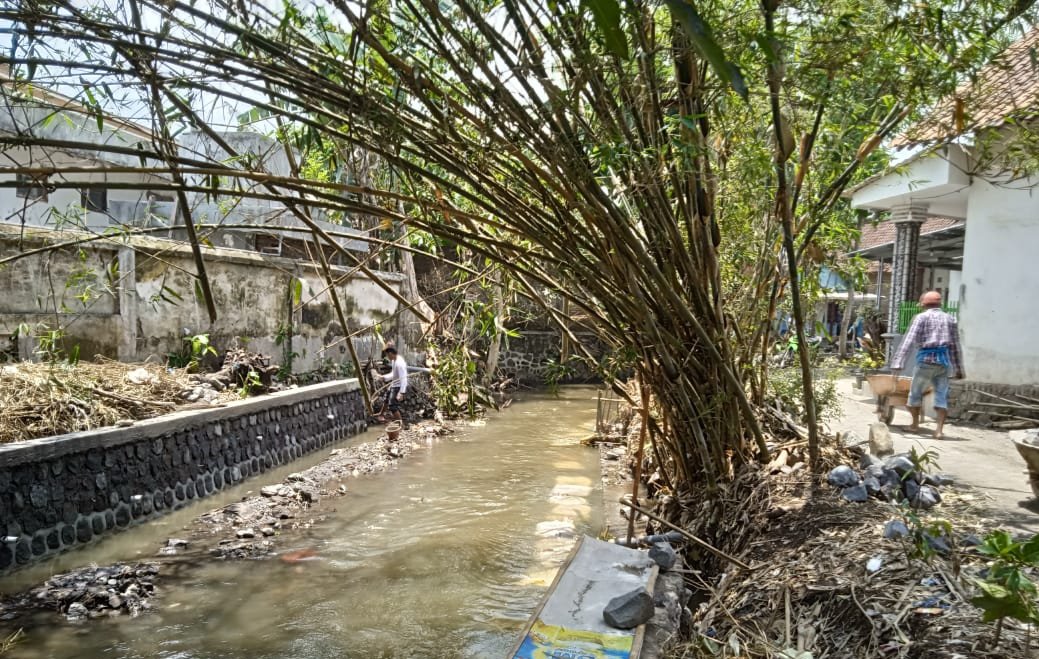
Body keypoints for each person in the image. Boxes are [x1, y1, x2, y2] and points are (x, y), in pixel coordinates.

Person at [891, 291, 963, 439]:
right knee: (941, 397)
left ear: (923, 304)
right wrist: (959, 369)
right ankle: (939, 431)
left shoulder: (921, 318)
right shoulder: (950, 319)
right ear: (940, 304)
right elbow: (955, 346)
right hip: (943, 363)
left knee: (914, 395)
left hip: (925, 361)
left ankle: (914, 426)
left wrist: (898, 363)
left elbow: (908, 341)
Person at [373, 345, 408, 429]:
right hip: (394, 384)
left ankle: (401, 425)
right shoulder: (394, 360)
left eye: (387, 355)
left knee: (392, 406)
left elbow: (404, 379)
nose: (387, 357)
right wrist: (383, 377)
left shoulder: (400, 363)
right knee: (386, 399)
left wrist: (401, 392)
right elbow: (394, 374)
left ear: (391, 353)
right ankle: (381, 415)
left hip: (398, 386)